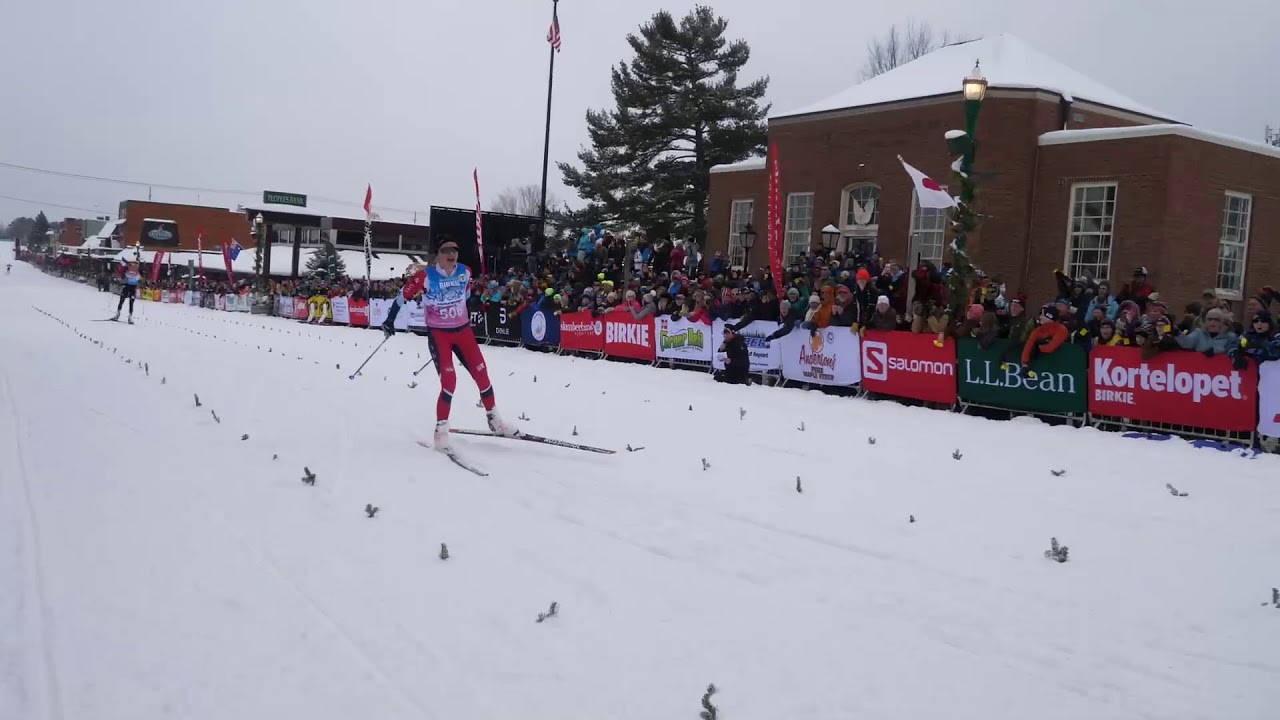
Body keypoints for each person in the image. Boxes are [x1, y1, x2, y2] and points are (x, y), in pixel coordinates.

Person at [380, 236, 513, 450]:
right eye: (446, 250)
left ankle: (495, 420)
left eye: (455, 249)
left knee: (482, 374)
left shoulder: (465, 272)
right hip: (439, 334)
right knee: (449, 382)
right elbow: (401, 297)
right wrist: (389, 320)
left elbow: (467, 294)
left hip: (463, 333)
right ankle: (441, 431)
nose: (451, 254)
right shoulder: (425, 276)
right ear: (437, 255)